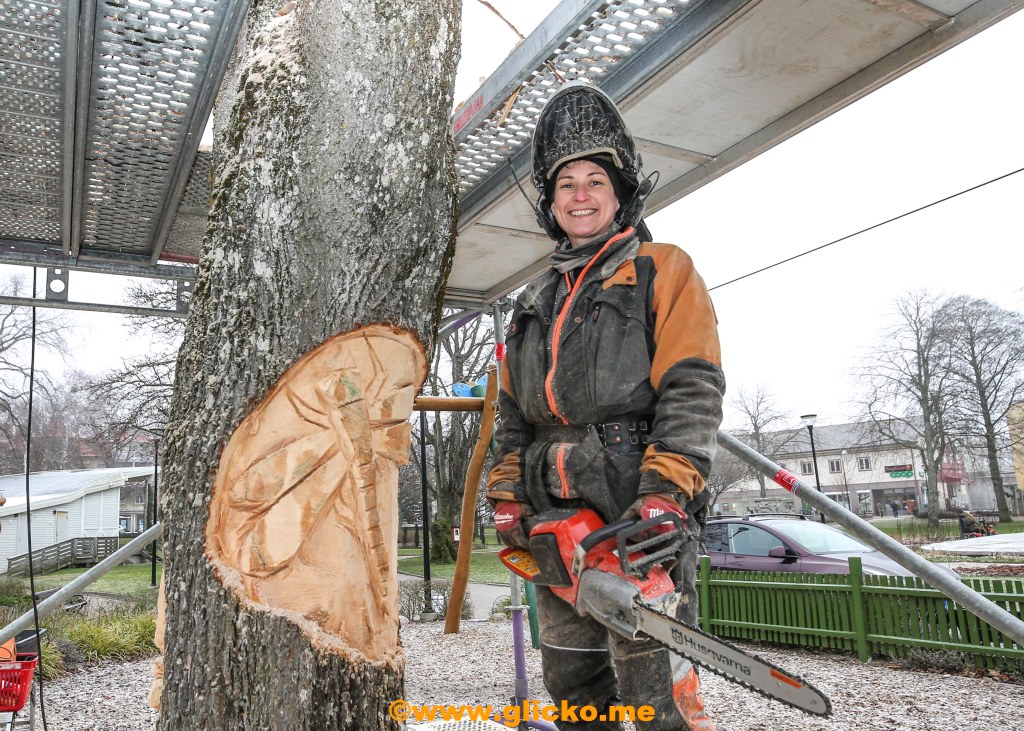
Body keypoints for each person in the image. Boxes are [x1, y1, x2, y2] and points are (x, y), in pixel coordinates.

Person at [486, 82, 725, 731]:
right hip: (554, 532)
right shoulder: (532, 303)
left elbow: (692, 388)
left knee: (658, 706)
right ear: (552, 202)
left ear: (620, 191)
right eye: (567, 183)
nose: (582, 193)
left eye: (595, 178)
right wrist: (507, 494)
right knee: (577, 700)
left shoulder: (662, 270)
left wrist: (665, 495)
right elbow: (512, 417)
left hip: (635, 526)